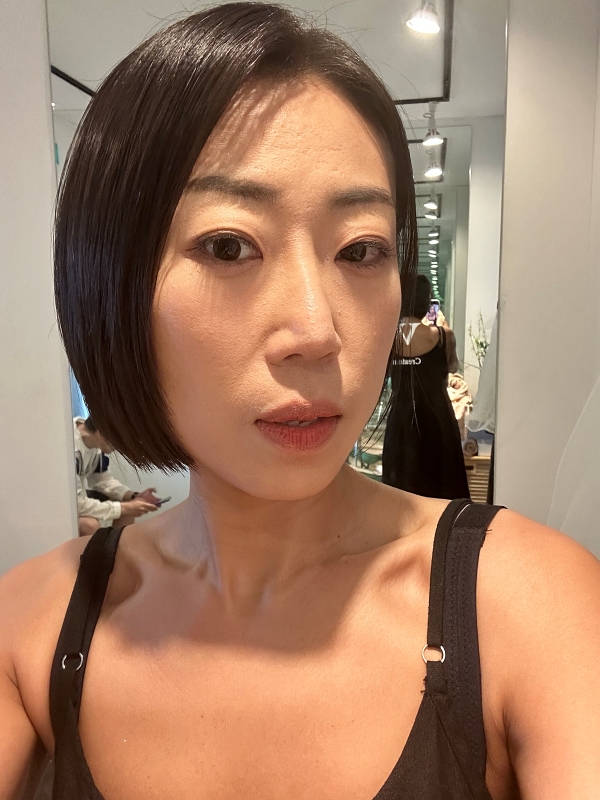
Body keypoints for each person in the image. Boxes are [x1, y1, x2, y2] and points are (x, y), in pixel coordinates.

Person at [1, 5, 599, 799]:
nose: (318, 333)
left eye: (360, 250)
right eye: (228, 246)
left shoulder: (528, 604)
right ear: (110, 279)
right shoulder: (35, 621)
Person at [382, 275, 470, 499]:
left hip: (401, 421)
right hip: (437, 419)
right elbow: (452, 367)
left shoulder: (386, 338)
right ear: (426, 302)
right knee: (441, 492)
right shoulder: (443, 336)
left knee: (399, 492)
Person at [73, 416, 160, 536]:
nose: (120, 447)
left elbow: (103, 481)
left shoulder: (95, 446)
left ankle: (118, 547)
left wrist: (134, 496)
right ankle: (96, 549)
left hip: (77, 500)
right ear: (102, 433)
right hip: (60, 508)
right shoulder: (70, 448)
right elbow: (77, 504)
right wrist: (125, 507)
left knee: (128, 511)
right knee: (89, 525)